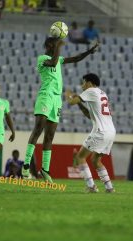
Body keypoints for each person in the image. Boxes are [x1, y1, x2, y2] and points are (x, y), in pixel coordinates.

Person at [21, 37, 99, 183]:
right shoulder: (42, 58)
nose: (57, 46)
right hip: (46, 96)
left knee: (50, 136)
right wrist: (58, 45)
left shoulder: (59, 59)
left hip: (56, 99)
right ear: (49, 45)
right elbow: (53, 62)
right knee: (38, 129)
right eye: (54, 43)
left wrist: (89, 52)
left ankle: (45, 170)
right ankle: (25, 165)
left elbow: (75, 58)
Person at [65, 73, 116, 193]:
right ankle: (109, 188)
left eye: (84, 82)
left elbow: (71, 102)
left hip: (100, 131)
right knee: (96, 161)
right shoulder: (102, 93)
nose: (82, 85)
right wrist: (79, 103)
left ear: (90, 83)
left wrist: (68, 95)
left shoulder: (91, 90)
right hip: (111, 131)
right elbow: (90, 115)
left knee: (80, 157)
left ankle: (91, 187)